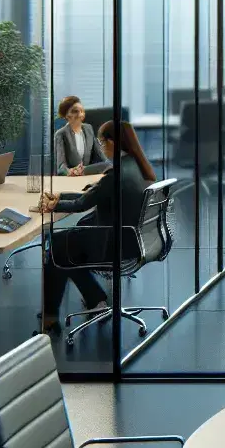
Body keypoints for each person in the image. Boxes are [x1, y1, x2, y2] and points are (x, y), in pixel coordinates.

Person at [35, 121, 154, 333]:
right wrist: (60, 198)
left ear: (113, 142)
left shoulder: (114, 175)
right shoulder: (136, 166)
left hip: (112, 246)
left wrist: (54, 205)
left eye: (101, 142)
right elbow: (93, 196)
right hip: (133, 242)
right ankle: (94, 300)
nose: (101, 147)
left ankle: (50, 318)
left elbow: (83, 204)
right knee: (66, 246)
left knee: (58, 246)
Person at [51, 95, 110, 177]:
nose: (80, 114)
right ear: (66, 115)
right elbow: (61, 168)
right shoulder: (61, 134)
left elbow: (101, 156)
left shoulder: (88, 129)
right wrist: (70, 171)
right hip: (70, 179)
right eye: (75, 111)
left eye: (82, 111)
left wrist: (108, 166)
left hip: (88, 176)